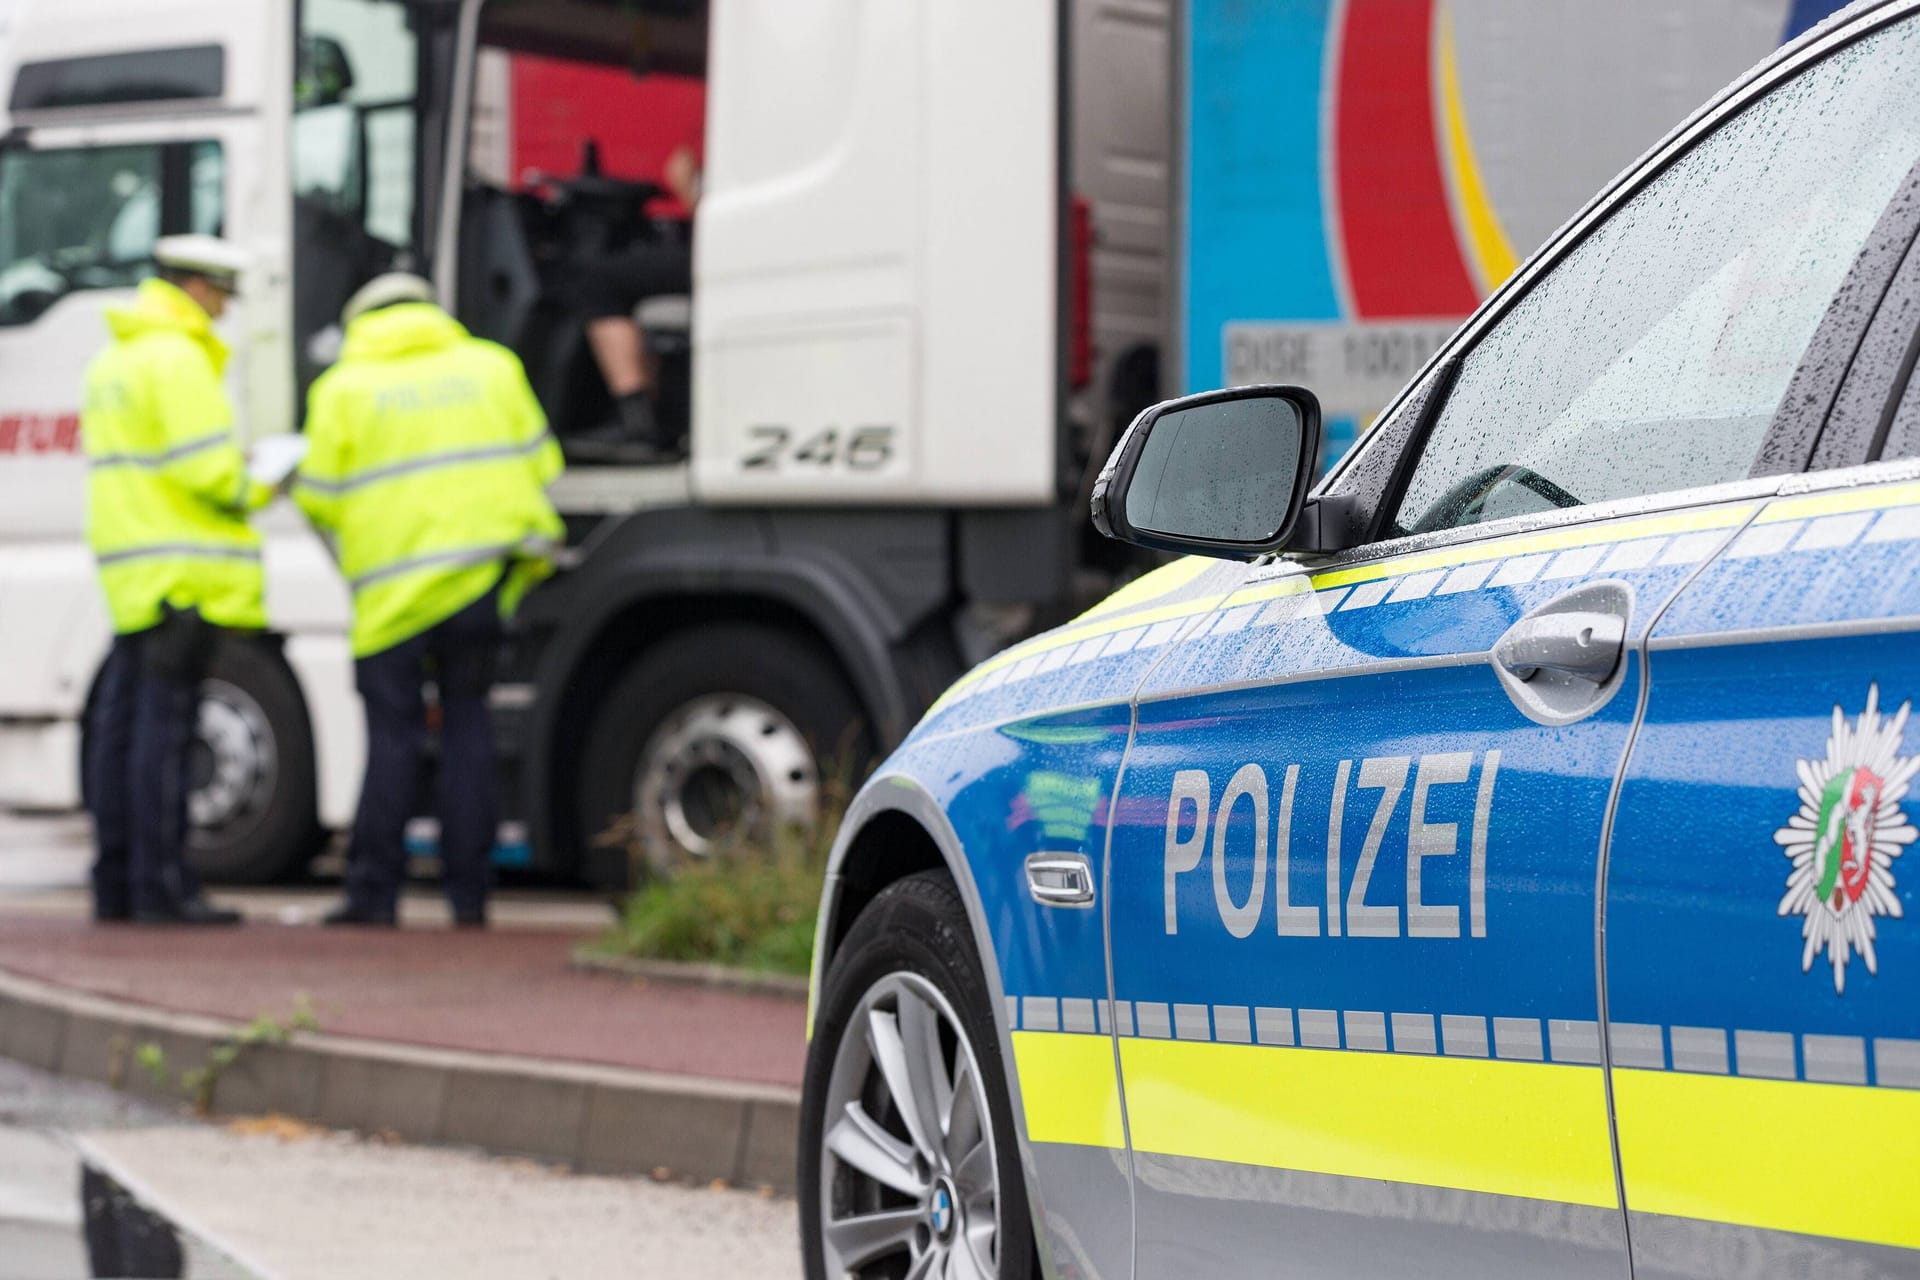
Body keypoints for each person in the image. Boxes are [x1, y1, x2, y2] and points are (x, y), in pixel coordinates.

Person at [295, 274, 564, 927]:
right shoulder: (493, 368)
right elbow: (544, 464)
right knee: (468, 727)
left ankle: (373, 894)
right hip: (477, 584)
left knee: (392, 741)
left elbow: (318, 498)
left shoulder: (342, 389)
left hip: (393, 599)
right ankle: (468, 898)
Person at [82, 235, 272, 925]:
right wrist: (261, 479)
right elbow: (210, 473)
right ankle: (164, 887)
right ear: (196, 288)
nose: (223, 311)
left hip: (132, 574)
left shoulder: (116, 358)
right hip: (181, 579)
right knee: (163, 740)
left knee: (121, 735)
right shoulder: (179, 359)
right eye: (221, 295)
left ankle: (116, 882)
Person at [572, 144, 701, 461]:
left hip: (732, 251)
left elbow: (686, 180)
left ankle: (637, 421)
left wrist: (688, 183)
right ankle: (653, 417)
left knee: (597, 282)